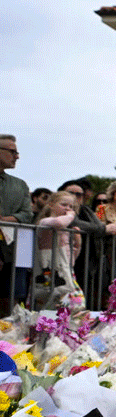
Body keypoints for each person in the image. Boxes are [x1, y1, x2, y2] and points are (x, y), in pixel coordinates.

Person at [60, 180, 109, 308]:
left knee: (85, 293)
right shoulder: (63, 210)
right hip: (65, 258)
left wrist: (100, 229)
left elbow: (99, 226)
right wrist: (101, 229)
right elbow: (75, 224)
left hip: (88, 258)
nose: (76, 197)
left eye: (79, 194)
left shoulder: (86, 210)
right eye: (71, 193)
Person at [0, 135, 32, 314]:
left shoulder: (19, 185)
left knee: (11, 296)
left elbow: (27, 215)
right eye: (12, 151)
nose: (17, 156)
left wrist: (5, 220)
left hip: (13, 248)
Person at [35, 191, 81, 307]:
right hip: (49, 270)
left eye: (71, 206)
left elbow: (71, 259)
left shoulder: (66, 227)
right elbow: (59, 222)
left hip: (66, 271)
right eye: (64, 205)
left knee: (76, 307)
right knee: (48, 307)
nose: (68, 209)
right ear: (50, 204)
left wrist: (78, 243)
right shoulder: (44, 222)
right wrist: (71, 216)